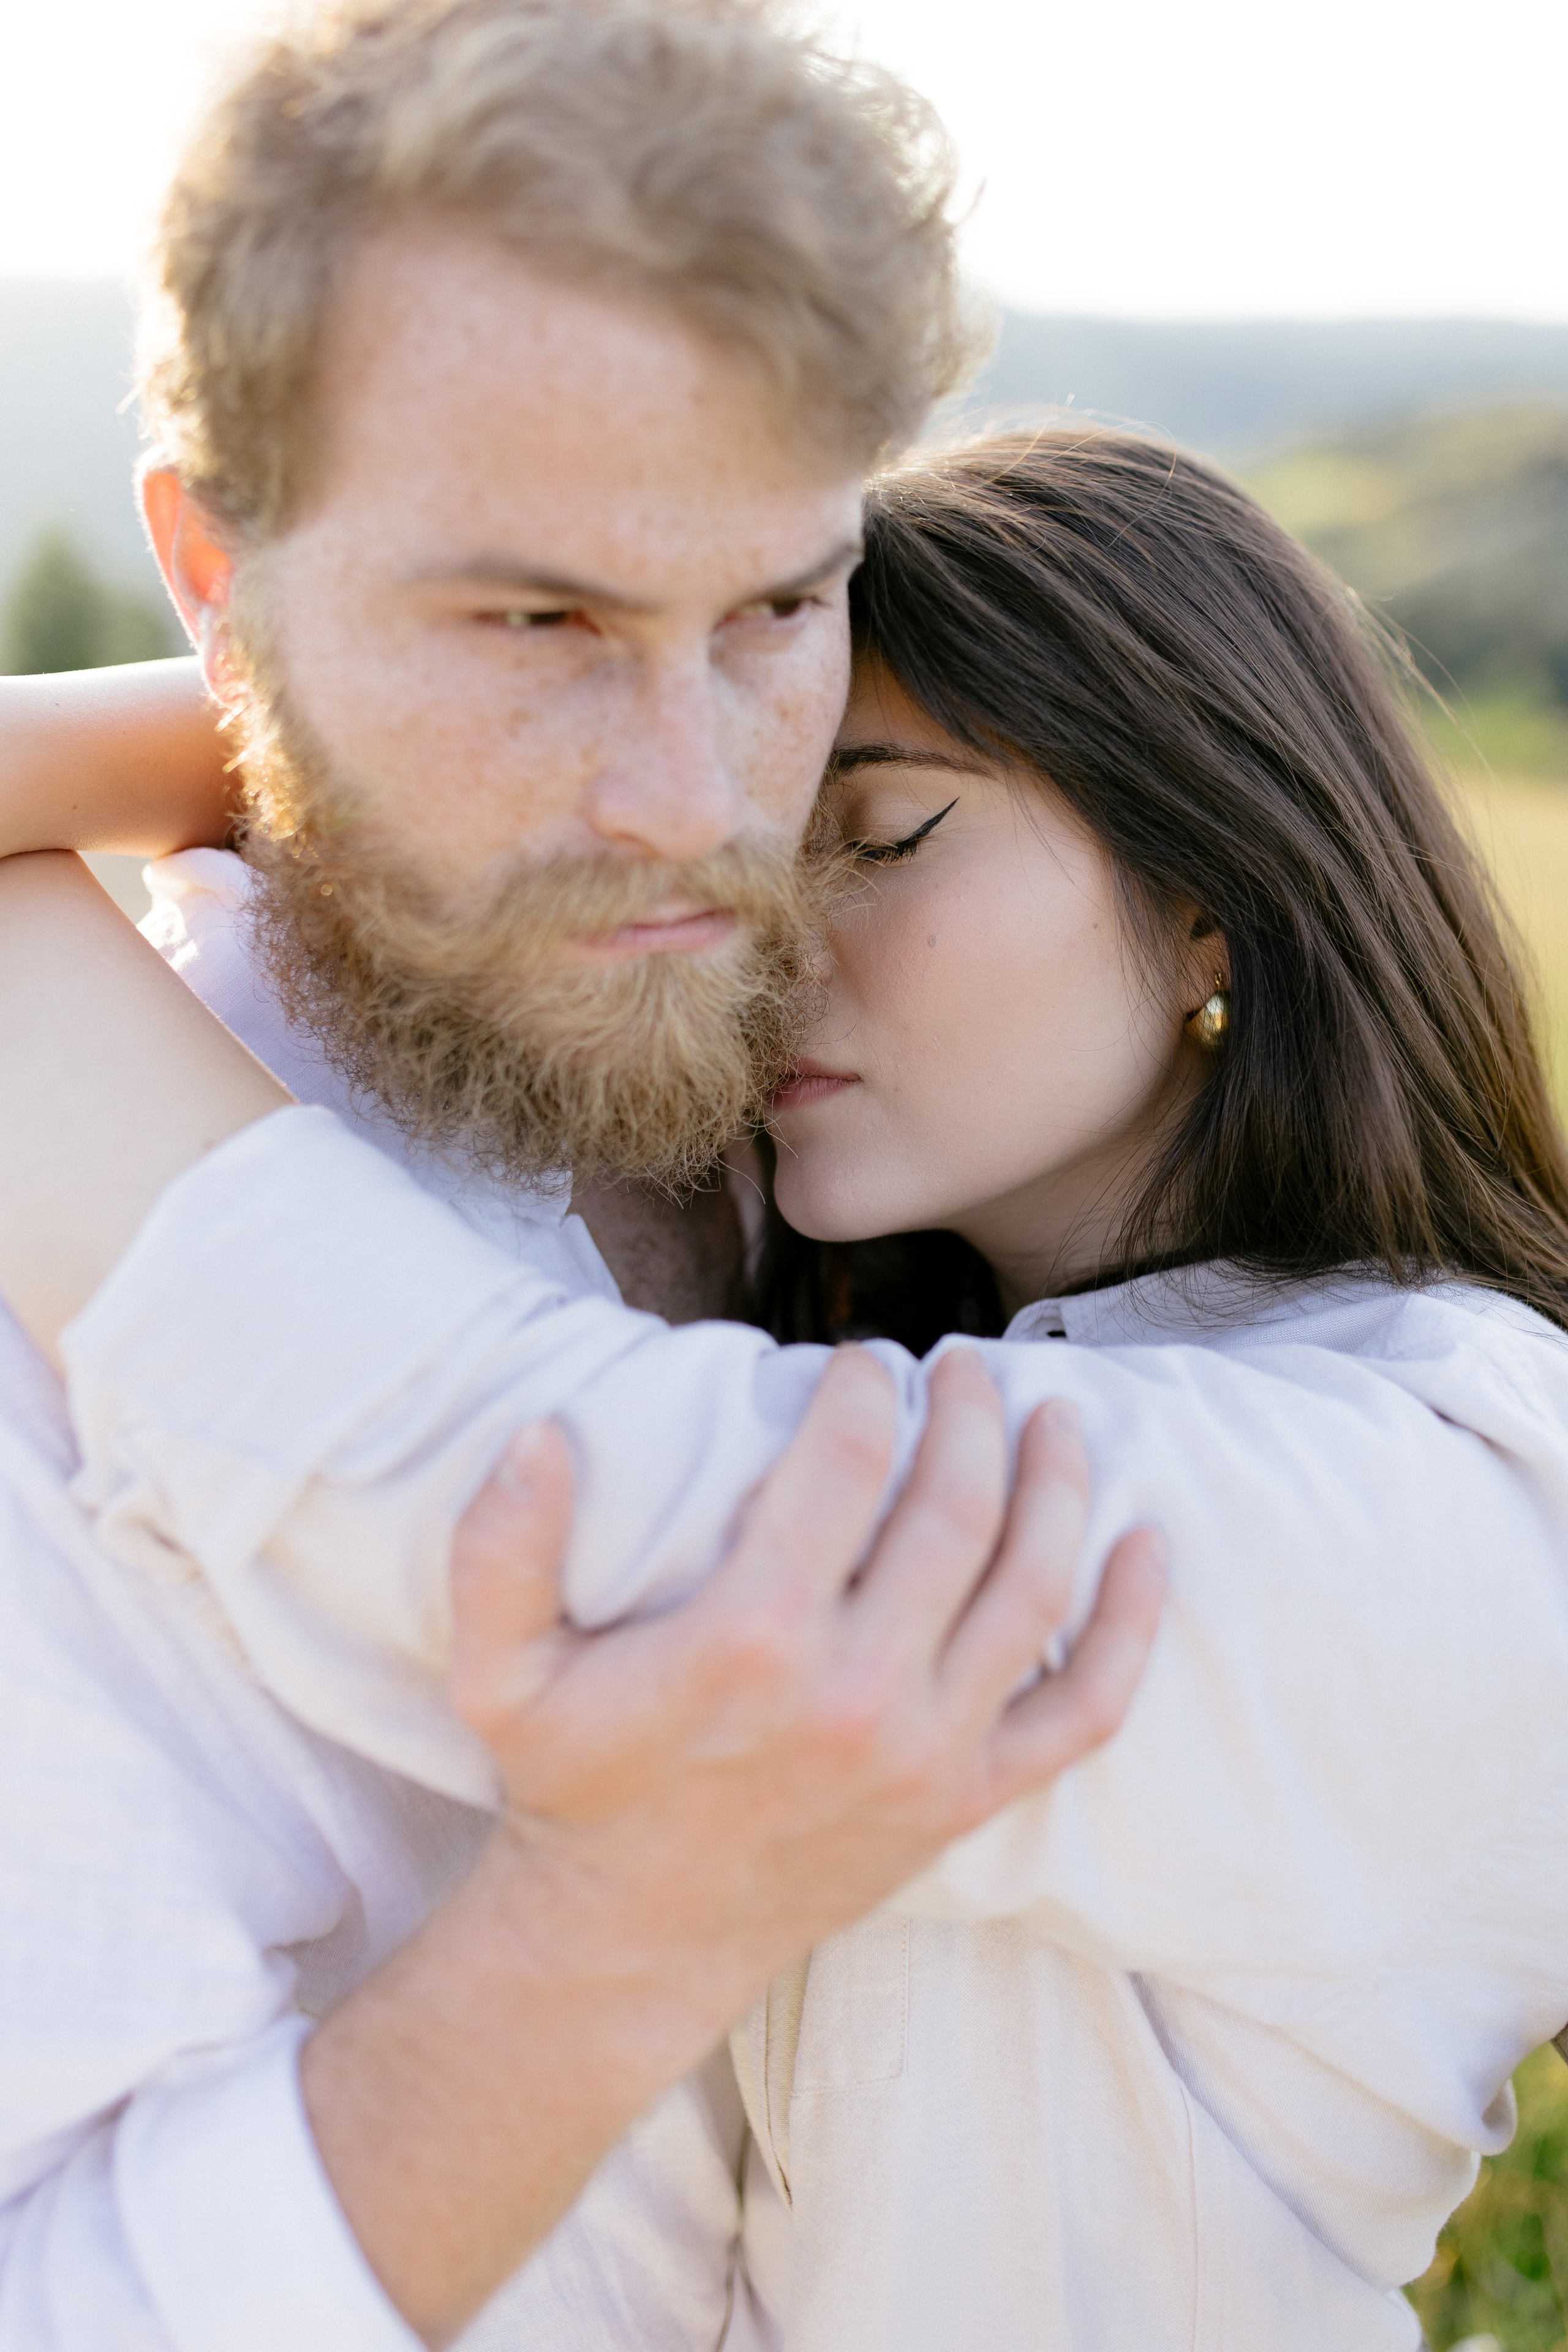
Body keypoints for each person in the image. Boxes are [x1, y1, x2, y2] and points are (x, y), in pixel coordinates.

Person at [10, 412, 1568, 2352]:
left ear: (1211, 893)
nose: (760, 934)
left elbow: (526, 1500)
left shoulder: (1471, 1493)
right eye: (748, 840)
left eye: (882, 832)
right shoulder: (878, 1327)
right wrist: (417, 758)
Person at [0, 6, 1167, 2348]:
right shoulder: (46, 1327)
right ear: (212, 565)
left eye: (775, 610)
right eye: (534, 624)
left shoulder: (872, 1105)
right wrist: (613, 1932)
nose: (692, 800)